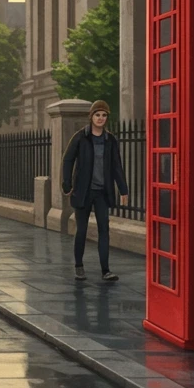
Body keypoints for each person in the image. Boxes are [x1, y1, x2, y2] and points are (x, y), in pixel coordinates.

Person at [61, 100, 129, 281]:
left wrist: (123, 189)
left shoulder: (110, 140)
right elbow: (68, 160)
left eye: (104, 115)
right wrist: (66, 183)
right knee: (81, 230)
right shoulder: (80, 137)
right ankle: (79, 266)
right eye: (97, 115)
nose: (100, 118)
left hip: (102, 192)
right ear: (91, 116)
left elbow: (117, 166)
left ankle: (105, 270)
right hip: (83, 191)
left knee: (104, 230)